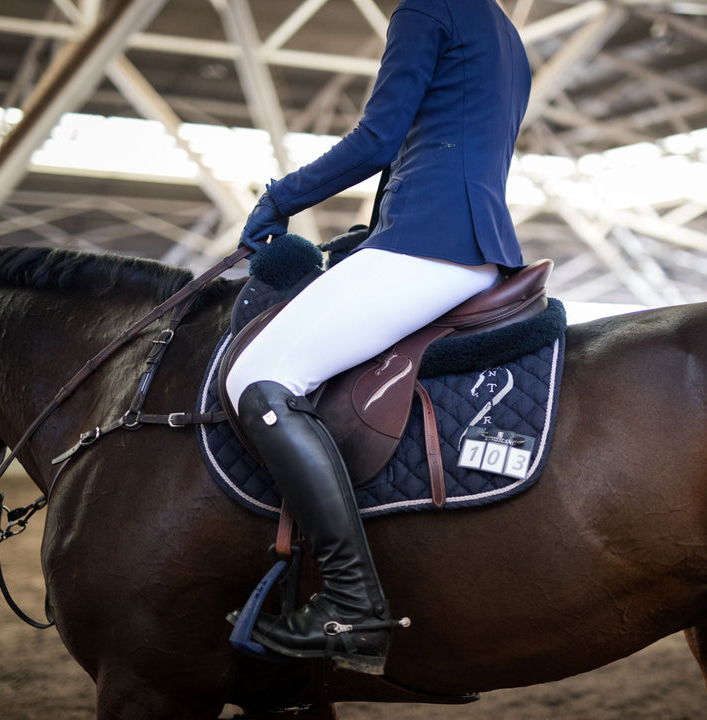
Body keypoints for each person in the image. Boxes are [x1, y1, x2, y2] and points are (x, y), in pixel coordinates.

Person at [224, 0, 531, 675]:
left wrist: (280, 198)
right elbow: (435, 144)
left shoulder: (425, 9)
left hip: (432, 245)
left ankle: (351, 602)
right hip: (461, 241)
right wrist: (371, 235)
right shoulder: (503, 31)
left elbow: (378, 138)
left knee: (259, 378)